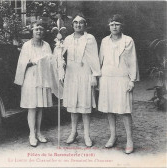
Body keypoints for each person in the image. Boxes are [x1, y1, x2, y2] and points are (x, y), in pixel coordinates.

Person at [98, 14, 139, 154]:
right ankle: (113, 136)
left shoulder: (128, 40)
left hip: (122, 78)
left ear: (122, 26)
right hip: (107, 78)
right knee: (110, 108)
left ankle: (129, 140)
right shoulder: (104, 41)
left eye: (117, 24)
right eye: (112, 24)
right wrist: (98, 77)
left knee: (125, 110)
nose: (114, 26)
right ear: (108, 26)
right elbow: (100, 60)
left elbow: (133, 61)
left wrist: (132, 80)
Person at [62, 14, 101, 147]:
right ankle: (73, 132)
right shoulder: (67, 39)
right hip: (71, 74)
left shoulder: (90, 38)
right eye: (75, 23)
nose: (78, 25)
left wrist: (94, 75)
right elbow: (60, 56)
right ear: (72, 25)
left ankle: (87, 135)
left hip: (85, 74)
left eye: (81, 23)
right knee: (73, 105)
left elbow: (94, 57)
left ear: (85, 25)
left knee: (85, 105)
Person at [14, 20, 53, 147]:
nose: (39, 31)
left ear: (44, 31)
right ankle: (31, 134)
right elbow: (21, 64)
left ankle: (39, 132)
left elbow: (50, 62)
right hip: (30, 78)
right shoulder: (27, 46)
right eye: (36, 29)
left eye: (41, 29)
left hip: (42, 78)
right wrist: (33, 62)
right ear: (32, 30)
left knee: (40, 107)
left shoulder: (46, 45)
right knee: (32, 107)